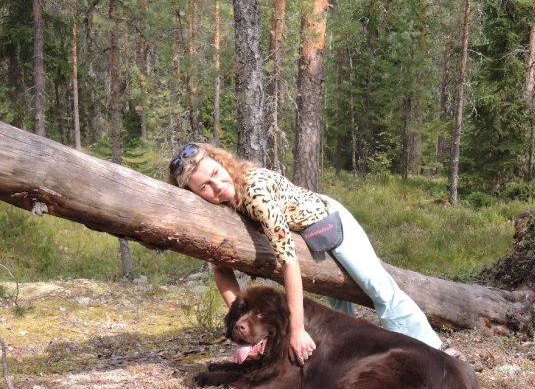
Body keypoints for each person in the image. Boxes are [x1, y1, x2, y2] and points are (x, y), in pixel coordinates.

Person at [168, 143, 458, 365]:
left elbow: (288, 263)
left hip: (328, 220)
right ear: (194, 194)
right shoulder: (213, 211)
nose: (218, 187)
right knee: (339, 302)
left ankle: (432, 350)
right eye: (205, 186)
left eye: (217, 174)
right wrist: (242, 323)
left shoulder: (255, 192)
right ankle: (348, 355)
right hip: (305, 235)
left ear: (221, 162)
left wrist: (297, 330)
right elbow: (221, 269)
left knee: (377, 287)